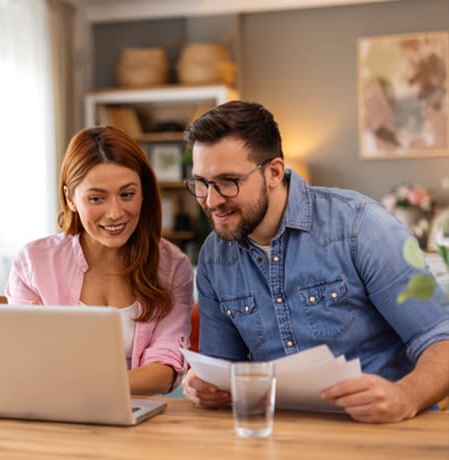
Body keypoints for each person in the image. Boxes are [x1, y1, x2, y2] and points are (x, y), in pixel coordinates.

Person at [181, 100, 449, 423]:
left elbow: (440, 338)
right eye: (201, 183)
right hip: (280, 436)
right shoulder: (214, 256)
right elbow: (221, 369)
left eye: (227, 182)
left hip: (384, 431)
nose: (211, 200)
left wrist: (406, 396)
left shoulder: (361, 228)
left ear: (274, 172)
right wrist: (204, 388)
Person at [5, 126, 194, 395]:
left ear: (144, 193)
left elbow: (165, 368)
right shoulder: (33, 263)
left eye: (127, 194)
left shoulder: (173, 267)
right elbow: (24, 362)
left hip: (138, 417)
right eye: (96, 198)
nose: (115, 213)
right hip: (56, 413)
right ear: (71, 198)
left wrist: (89, 387)